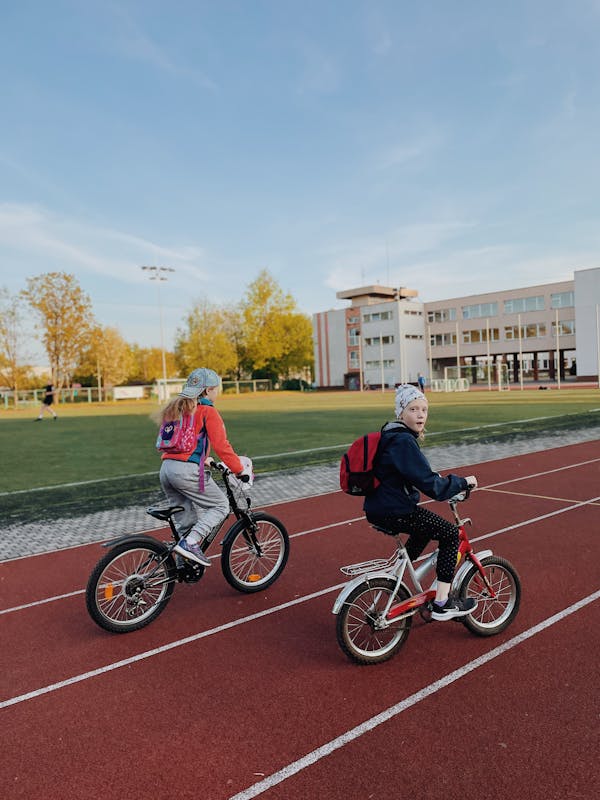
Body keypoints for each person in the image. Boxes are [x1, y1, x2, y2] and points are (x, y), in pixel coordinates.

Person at [363, 384, 478, 621]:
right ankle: (442, 604)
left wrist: (439, 480)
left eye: (424, 410)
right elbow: (432, 486)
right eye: (413, 409)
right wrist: (462, 482)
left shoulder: (390, 435)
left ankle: (400, 570)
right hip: (394, 509)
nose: (420, 414)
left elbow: (419, 474)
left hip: (379, 507)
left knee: (424, 528)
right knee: (449, 534)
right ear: (401, 413)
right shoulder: (403, 441)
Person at [157, 367, 250, 568]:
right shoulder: (208, 410)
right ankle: (191, 544)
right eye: (216, 389)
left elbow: (181, 442)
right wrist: (239, 470)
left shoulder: (178, 408)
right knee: (220, 506)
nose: (217, 393)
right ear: (207, 391)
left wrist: (203, 458)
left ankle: (182, 567)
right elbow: (222, 446)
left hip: (166, 469)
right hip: (185, 473)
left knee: (186, 522)